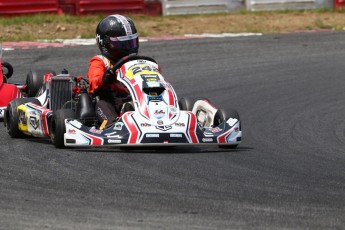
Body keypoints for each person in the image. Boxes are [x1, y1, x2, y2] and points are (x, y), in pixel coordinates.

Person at [87, 14, 139, 129]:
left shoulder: (138, 62)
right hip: (112, 100)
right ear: (104, 43)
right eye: (122, 44)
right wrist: (105, 78)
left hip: (135, 96)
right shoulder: (100, 61)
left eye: (131, 43)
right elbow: (93, 82)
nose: (128, 48)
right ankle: (113, 125)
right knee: (102, 104)